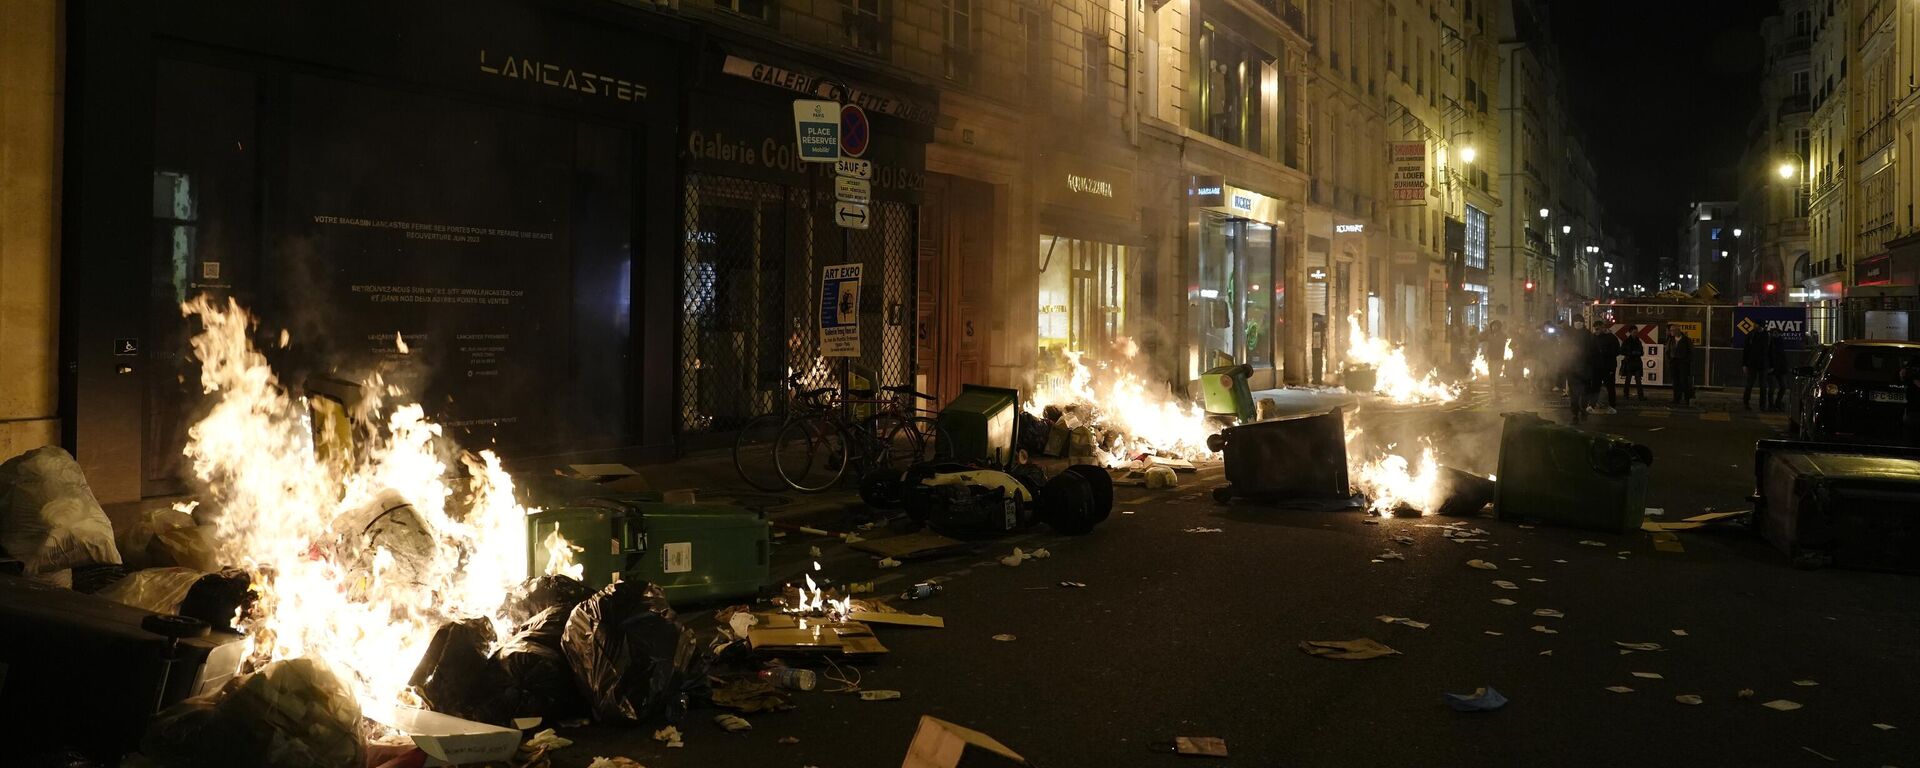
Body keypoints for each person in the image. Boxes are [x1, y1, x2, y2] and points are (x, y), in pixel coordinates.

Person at [1590, 324, 1621, 414]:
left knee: (1610, 387)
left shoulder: (1611, 338)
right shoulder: (1593, 338)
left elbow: (1617, 351)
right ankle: (1592, 405)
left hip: (1608, 367)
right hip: (1597, 367)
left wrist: (1605, 352)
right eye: (1595, 329)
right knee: (1595, 387)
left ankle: (1612, 406)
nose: (1596, 331)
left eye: (1598, 329)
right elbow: (1590, 351)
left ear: (1603, 328)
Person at [1742, 326, 1773, 410]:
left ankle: (1758, 404)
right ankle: (1751, 403)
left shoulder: (1756, 335)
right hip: (1758, 364)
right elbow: (1746, 350)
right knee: (1755, 385)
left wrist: (1744, 364)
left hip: (1759, 364)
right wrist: (1744, 364)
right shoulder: (1755, 335)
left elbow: (1770, 351)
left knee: (1758, 385)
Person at [1480, 320, 1508, 400]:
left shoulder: (1502, 335)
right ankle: (1494, 393)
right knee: (1492, 376)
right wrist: (1486, 331)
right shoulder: (1490, 335)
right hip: (1491, 358)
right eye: (1493, 326)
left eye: (1496, 326)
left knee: (1496, 376)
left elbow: (1500, 343)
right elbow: (1480, 338)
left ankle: (1496, 393)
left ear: (1499, 327)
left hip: (1498, 359)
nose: (1494, 327)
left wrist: (1491, 337)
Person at [1668, 330, 1696, 407]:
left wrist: (1686, 361)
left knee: (1683, 381)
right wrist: (1670, 360)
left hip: (1683, 363)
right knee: (1675, 381)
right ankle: (1676, 398)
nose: (1671, 332)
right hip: (1674, 363)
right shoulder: (1671, 340)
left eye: (1672, 330)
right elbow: (1667, 350)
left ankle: (1686, 399)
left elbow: (1691, 351)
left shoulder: (1686, 340)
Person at [1619, 329, 1647, 401]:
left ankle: (1638, 395)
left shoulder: (1636, 341)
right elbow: (1622, 351)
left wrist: (1638, 353)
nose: (1636, 333)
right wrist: (1632, 353)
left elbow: (1641, 351)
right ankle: (1628, 395)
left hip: (1634, 361)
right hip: (1630, 362)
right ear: (1630, 332)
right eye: (1634, 332)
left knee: (1637, 380)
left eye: (1636, 332)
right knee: (1629, 380)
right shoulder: (1628, 341)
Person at [1767, 331, 1792, 411]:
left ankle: (1777, 403)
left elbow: (1782, 356)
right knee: (1772, 388)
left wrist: (1785, 367)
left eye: (1777, 333)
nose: (1776, 335)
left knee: (1783, 386)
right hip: (1772, 368)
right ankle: (1771, 405)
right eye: (1774, 333)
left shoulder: (1781, 342)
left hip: (1780, 369)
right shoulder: (1769, 342)